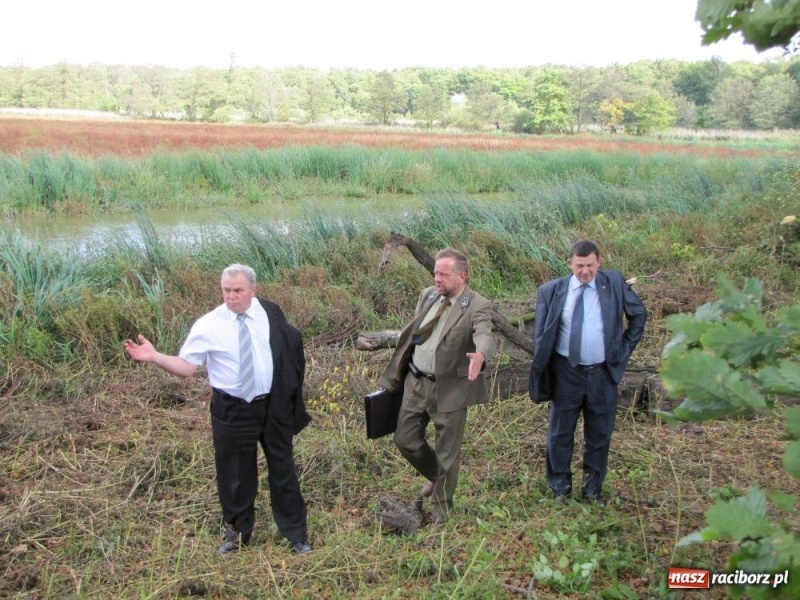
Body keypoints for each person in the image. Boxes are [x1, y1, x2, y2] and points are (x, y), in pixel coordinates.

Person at [123, 263, 313, 555]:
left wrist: (289, 392)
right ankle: (237, 535)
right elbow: (186, 368)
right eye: (226, 290)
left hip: (272, 406)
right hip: (233, 410)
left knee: (283, 469)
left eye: (237, 290)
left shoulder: (269, 311)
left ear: (253, 290)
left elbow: (289, 344)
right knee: (235, 475)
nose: (231, 296)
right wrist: (154, 356)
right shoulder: (209, 324)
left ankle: (296, 535)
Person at [377, 248, 497, 523]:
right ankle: (437, 476)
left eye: (444, 274)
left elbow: (485, 334)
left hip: (450, 390)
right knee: (405, 439)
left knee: (448, 455)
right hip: (415, 382)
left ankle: (441, 518)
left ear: (462, 276)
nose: (437, 279)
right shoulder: (428, 295)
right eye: (435, 273)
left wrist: (481, 355)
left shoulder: (477, 305)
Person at [528, 240, 647, 504]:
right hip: (565, 373)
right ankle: (560, 488)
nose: (585, 271)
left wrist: (622, 349)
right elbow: (541, 337)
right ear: (569, 263)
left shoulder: (613, 283)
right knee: (559, 434)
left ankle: (592, 490)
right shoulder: (550, 291)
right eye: (579, 266)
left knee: (599, 434)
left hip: (602, 374)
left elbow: (639, 315)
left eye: (590, 265)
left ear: (599, 262)